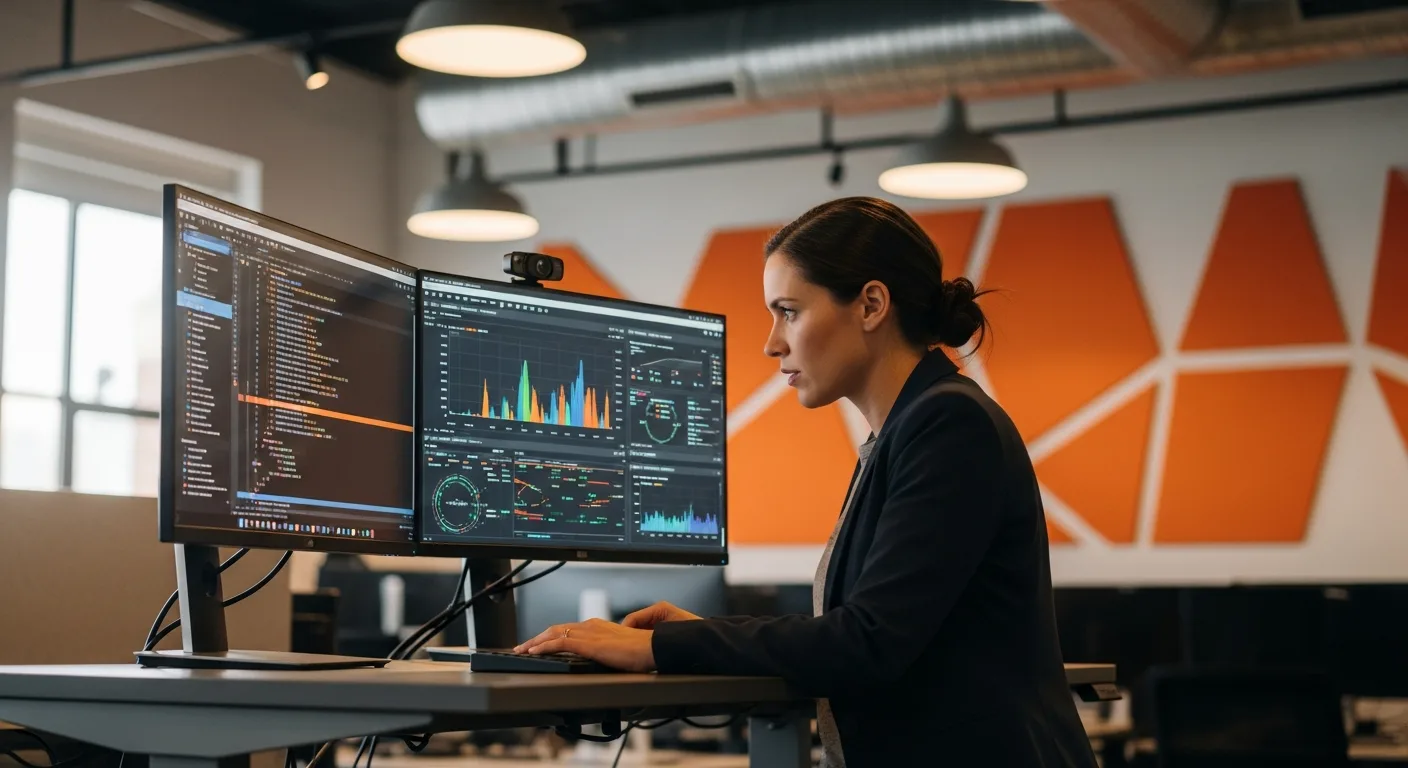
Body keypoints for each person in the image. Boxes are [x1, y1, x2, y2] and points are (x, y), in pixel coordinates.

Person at [515, 197, 1098, 767]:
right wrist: (706, 634)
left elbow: (867, 642)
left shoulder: (947, 424)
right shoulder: (907, 428)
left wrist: (660, 647)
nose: (773, 342)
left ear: (871, 305)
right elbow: (863, 631)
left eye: (789, 311)